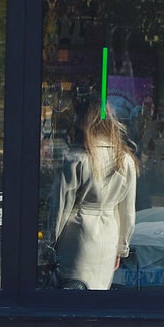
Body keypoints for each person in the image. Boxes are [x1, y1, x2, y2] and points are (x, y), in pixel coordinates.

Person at [45, 92, 139, 290]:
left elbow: (60, 206)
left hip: (77, 236)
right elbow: (128, 213)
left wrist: (49, 244)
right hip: (109, 236)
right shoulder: (126, 160)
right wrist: (121, 249)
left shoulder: (77, 158)